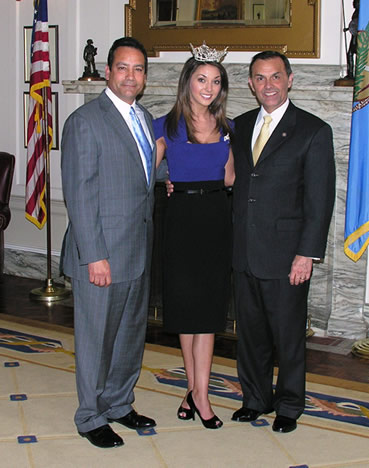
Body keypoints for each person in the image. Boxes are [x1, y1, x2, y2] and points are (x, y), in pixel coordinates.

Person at [231, 50, 335, 433]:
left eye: (275, 77)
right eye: (260, 78)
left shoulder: (313, 130)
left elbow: (319, 200)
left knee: (288, 337)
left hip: (288, 255)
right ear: (251, 84)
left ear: (290, 79)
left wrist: (306, 253)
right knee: (251, 334)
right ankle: (255, 398)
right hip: (244, 251)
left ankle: (289, 405)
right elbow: (234, 179)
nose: (268, 85)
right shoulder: (240, 126)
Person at [61, 37, 157, 448]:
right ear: (108, 71)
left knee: (130, 335)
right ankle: (90, 415)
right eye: (123, 68)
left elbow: (141, 177)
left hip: (137, 250)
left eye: (138, 69)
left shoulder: (146, 119)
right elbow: (79, 195)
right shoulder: (85, 121)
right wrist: (94, 256)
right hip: (101, 254)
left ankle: (118, 403)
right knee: (97, 339)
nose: (131, 76)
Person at [153, 43, 234, 429]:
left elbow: (231, 178)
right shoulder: (165, 126)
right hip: (182, 221)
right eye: (202, 79)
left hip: (216, 220)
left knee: (208, 314)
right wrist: (167, 182)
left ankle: (195, 391)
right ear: (187, 82)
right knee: (188, 314)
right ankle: (200, 395)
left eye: (216, 81)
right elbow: (144, 171)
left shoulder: (228, 129)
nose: (209, 87)